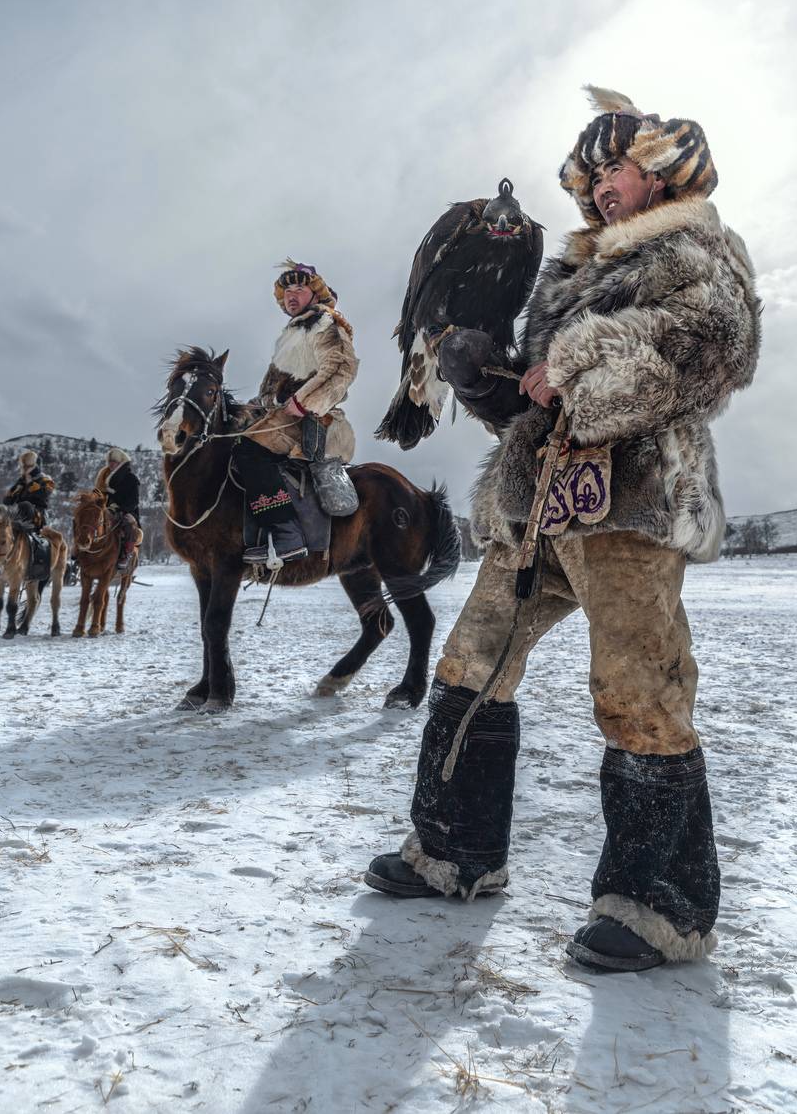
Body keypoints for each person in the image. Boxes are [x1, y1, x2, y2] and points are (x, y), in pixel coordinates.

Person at [364, 87, 761, 975]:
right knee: (471, 661)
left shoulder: (697, 249)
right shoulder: (570, 272)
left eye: (610, 169)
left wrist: (573, 363)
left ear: (660, 170)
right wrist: (485, 378)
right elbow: (533, 400)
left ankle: (660, 908)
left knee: (636, 687)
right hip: (541, 499)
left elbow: (709, 345)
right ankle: (455, 854)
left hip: (635, 498)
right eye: (585, 176)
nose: (595, 189)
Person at [237, 261, 358, 569]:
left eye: (299, 288)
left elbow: (341, 369)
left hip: (311, 420)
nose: (291, 295)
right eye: (287, 290)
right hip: (285, 416)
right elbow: (273, 388)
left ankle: (286, 533)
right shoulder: (294, 331)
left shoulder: (324, 323)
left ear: (314, 292)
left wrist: (305, 402)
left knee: (249, 452)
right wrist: (254, 406)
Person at [94, 447, 144, 571]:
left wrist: (120, 508)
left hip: (127, 511)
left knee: (128, 525)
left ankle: (126, 554)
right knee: (89, 522)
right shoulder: (105, 477)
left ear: (120, 463)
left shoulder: (131, 478)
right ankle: (85, 551)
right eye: (110, 461)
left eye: (114, 462)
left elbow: (134, 501)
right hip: (107, 510)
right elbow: (99, 493)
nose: (111, 464)